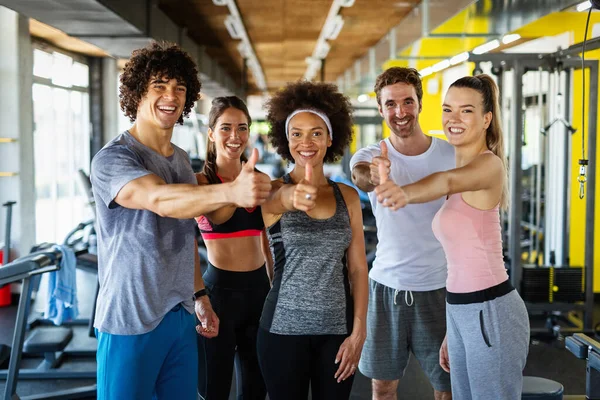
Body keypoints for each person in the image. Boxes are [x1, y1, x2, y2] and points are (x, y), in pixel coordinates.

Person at [90, 42, 271, 400]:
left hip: (179, 315)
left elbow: (184, 235)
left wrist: (200, 297)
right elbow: (159, 200)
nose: (170, 95)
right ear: (138, 91)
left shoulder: (180, 160)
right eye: (159, 85)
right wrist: (232, 192)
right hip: (131, 318)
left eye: (180, 88)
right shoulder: (113, 158)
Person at [375, 74, 530, 399]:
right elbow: (458, 263)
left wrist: (402, 193)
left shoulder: (489, 166)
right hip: (461, 309)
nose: (453, 119)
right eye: (448, 110)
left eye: (467, 111)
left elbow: (444, 180)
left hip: (490, 310)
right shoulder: (463, 167)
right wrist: (452, 326)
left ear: (487, 118)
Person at [256, 81, 369, 400]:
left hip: (338, 334)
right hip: (281, 332)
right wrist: (292, 197)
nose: (306, 142)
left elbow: (359, 269)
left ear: (331, 138)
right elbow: (277, 204)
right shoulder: (272, 191)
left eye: (316, 132)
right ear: (285, 139)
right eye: (297, 133)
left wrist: (359, 330)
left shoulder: (346, 196)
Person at [350, 67, 454, 400]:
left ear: (420, 104)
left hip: (440, 288)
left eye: (407, 101)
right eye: (391, 104)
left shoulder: (449, 155)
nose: (400, 112)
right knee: (382, 388)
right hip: (386, 289)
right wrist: (379, 176)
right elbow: (360, 176)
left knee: (447, 387)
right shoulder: (370, 155)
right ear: (381, 109)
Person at [195, 96, 270, 400]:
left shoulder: (259, 180)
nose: (235, 136)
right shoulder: (200, 183)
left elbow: (267, 241)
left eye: (242, 128)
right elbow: (186, 244)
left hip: (259, 292)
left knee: (256, 389)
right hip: (219, 295)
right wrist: (199, 296)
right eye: (225, 127)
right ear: (211, 133)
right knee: (214, 388)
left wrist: (274, 288)